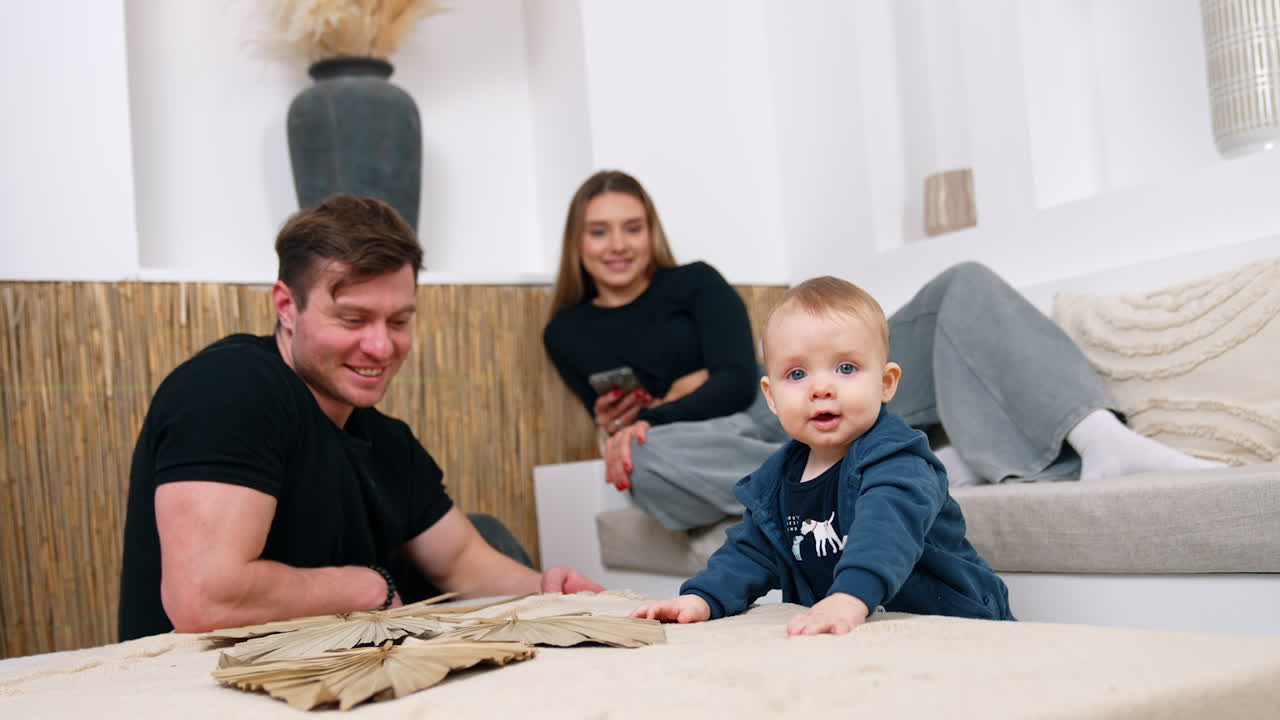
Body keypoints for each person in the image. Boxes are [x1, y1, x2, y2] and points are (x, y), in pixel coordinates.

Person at [544, 170, 1219, 533]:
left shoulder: (696, 283)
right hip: (711, 448)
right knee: (647, 462)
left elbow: (729, 383)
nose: (618, 244)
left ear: (651, 230)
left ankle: (1098, 435)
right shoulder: (565, 332)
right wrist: (642, 426)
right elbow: (613, 423)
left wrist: (657, 411)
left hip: (772, 402)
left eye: (632, 227)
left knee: (964, 284)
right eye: (600, 231)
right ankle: (892, 468)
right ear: (578, 242)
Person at [118, 194, 601, 641]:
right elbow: (204, 598)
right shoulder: (230, 388)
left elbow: (461, 561)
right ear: (286, 306)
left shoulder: (386, 440)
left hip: (342, 666)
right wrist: (367, 588)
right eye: (352, 319)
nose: (380, 346)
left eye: (399, 321)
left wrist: (548, 588)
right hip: (213, 685)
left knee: (488, 533)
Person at [631, 276, 1013, 635]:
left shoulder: (898, 459)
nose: (821, 388)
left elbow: (886, 531)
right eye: (797, 374)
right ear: (771, 397)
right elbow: (749, 553)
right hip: (853, 628)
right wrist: (702, 598)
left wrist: (849, 597)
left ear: (886, 383)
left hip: (954, 623)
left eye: (845, 368)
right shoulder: (775, 482)